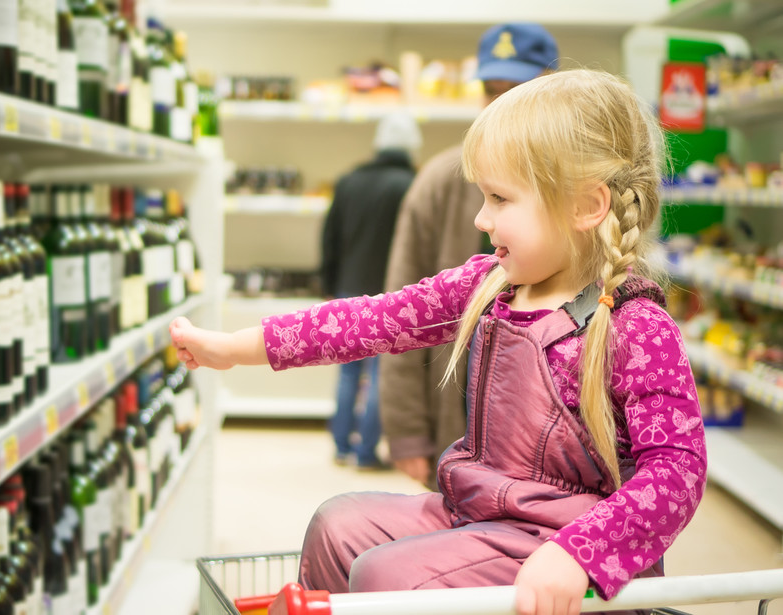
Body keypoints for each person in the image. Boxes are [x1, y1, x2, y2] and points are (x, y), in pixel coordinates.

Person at [170, 70, 706, 615]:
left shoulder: (635, 327)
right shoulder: (490, 285)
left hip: (562, 546)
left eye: (500, 198)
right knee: (337, 525)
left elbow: (678, 472)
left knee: (387, 575)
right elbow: (371, 320)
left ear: (586, 207)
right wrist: (237, 347)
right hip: (475, 514)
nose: (480, 217)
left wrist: (583, 554)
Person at [381, 22, 561, 488]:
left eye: (518, 90)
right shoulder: (440, 182)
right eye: (492, 89)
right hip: (457, 421)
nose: (502, 104)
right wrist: (406, 433)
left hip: (557, 436)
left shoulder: (578, 185)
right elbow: (399, 311)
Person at [319, 112, 421, 469]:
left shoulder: (349, 181)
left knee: (348, 371)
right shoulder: (412, 183)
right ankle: (366, 452)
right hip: (391, 292)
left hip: (349, 287)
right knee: (381, 374)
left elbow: (329, 237)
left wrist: (331, 284)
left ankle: (340, 446)